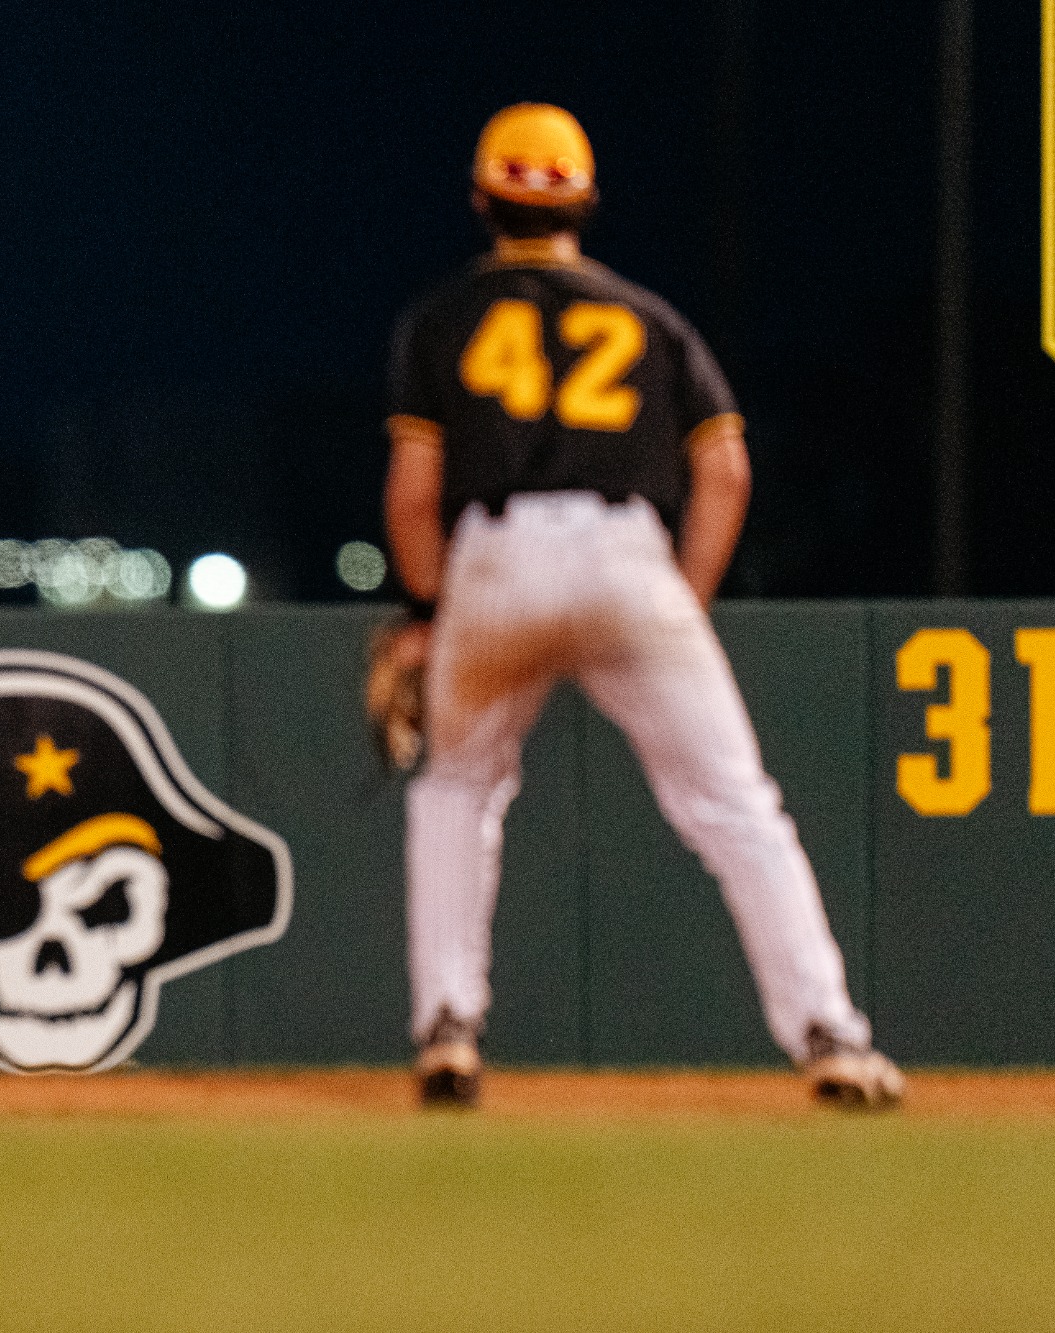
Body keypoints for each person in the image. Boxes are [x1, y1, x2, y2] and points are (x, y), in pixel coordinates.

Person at [382, 103, 903, 1109]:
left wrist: (430, 607)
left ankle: (447, 1024)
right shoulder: (650, 319)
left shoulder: (439, 320)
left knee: (457, 788)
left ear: (480, 200)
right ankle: (827, 1035)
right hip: (627, 554)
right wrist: (682, 597)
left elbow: (411, 494)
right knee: (738, 810)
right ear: (583, 201)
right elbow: (726, 471)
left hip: (491, 554)